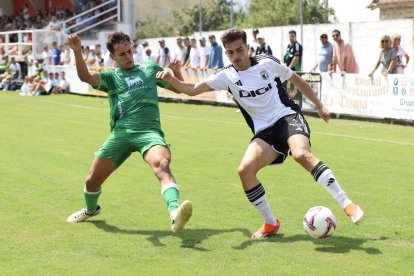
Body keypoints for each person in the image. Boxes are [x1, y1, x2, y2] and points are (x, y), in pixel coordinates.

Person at [156, 28, 364, 239]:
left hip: (287, 118)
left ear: (248, 48)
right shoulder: (226, 75)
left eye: (239, 50)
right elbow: (191, 89)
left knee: (301, 155)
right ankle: (270, 223)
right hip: (265, 132)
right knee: (245, 170)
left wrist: (319, 105)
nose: (236, 56)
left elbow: (297, 80)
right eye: (230, 52)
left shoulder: (267, 63)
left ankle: (347, 204)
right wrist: (172, 78)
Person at [66, 32, 193, 233]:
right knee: (91, 181)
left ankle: (174, 213)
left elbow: (180, 89)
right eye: (122, 54)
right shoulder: (111, 77)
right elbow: (85, 77)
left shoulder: (150, 68)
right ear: (113, 57)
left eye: (129, 51)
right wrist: (77, 51)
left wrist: (177, 73)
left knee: (162, 164)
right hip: (121, 134)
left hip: (149, 132)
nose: (128, 56)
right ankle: (91, 210)